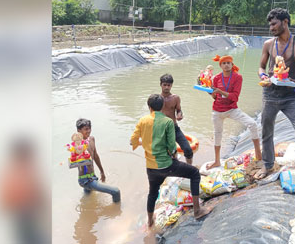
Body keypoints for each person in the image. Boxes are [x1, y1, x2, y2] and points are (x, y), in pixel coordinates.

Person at [256, 8, 295, 188]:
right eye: (270, 24)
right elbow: (261, 67)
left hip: (291, 97)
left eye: (274, 24)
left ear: (285, 22)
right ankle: (267, 165)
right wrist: (263, 77)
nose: (271, 27)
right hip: (270, 95)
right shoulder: (268, 44)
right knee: (267, 131)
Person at [130, 94, 210, 228]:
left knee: (153, 192)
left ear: (149, 107)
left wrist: (143, 143)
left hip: (151, 167)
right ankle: (197, 211)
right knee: (195, 173)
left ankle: (150, 221)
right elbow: (172, 146)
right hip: (167, 165)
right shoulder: (167, 122)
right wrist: (173, 156)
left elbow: (133, 139)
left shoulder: (143, 121)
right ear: (162, 107)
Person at [207, 55, 261, 170]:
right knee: (217, 135)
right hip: (217, 110)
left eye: (228, 63)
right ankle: (217, 161)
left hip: (232, 109)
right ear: (220, 66)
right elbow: (214, 97)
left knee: (252, 124)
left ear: (232, 65)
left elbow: (235, 97)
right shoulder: (216, 78)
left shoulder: (237, 77)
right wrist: (211, 92)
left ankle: (258, 156)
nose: (226, 65)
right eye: (224, 63)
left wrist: (221, 91)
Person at [75, 118, 121, 202]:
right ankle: (118, 212)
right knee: (116, 192)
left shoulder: (91, 139)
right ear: (79, 131)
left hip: (92, 175)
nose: (88, 131)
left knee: (88, 197)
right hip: (85, 180)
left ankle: (85, 211)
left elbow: (95, 156)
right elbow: (76, 161)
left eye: (89, 128)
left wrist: (102, 172)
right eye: (86, 129)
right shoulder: (78, 145)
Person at [159, 74, 193, 165]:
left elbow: (179, 110)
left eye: (168, 85)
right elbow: (152, 115)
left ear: (171, 85)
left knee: (188, 149)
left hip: (174, 127)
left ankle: (189, 168)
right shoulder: (157, 99)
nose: (166, 87)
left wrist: (180, 115)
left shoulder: (175, 98)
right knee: (167, 153)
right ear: (160, 85)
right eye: (164, 85)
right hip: (162, 129)